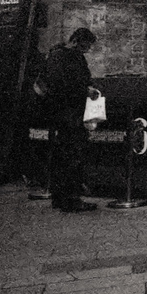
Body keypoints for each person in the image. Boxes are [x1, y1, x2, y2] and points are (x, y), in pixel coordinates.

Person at [40, 27, 102, 213]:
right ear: (75, 41)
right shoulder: (65, 57)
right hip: (69, 114)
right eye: (85, 46)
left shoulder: (57, 55)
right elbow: (64, 84)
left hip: (62, 114)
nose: (87, 50)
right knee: (72, 155)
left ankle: (60, 198)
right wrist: (86, 91)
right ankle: (71, 199)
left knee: (62, 156)